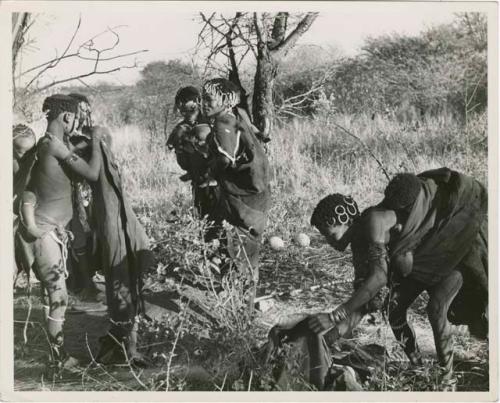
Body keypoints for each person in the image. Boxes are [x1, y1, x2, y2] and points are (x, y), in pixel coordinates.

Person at [307, 168, 488, 390]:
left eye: (330, 234)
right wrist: (327, 339)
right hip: (423, 260)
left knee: (436, 308)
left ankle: (447, 379)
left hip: (448, 250)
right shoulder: (359, 245)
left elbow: (379, 278)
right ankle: (418, 366)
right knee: (394, 311)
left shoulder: (372, 221)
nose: (331, 244)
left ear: (344, 220)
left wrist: (335, 315)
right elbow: (364, 300)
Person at [14, 94, 102, 375]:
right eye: (74, 118)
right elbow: (92, 173)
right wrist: (98, 141)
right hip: (45, 235)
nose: (75, 122)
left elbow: (30, 187)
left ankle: (58, 357)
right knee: (58, 297)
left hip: (48, 232)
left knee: (54, 296)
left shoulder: (46, 145)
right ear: (67, 117)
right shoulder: (53, 145)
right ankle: (58, 360)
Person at [201, 78, 271, 306]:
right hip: (256, 192)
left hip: (243, 197)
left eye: (209, 99)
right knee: (248, 252)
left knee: (241, 252)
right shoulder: (240, 114)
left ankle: (241, 311)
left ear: (225, 100)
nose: (204, 104)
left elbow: (225, 158)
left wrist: (209, 171)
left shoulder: (224, 122)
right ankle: (243, 304)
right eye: (203, 98)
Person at [167, 86, 218, 217]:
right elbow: (182, 161)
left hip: (216, 181)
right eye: (179, 102)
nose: (181, 105)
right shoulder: (180, 128)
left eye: (185, 100)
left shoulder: (211, 121)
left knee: (217, 221)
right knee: (203, 219)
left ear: (196, 101)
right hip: (197, 181)